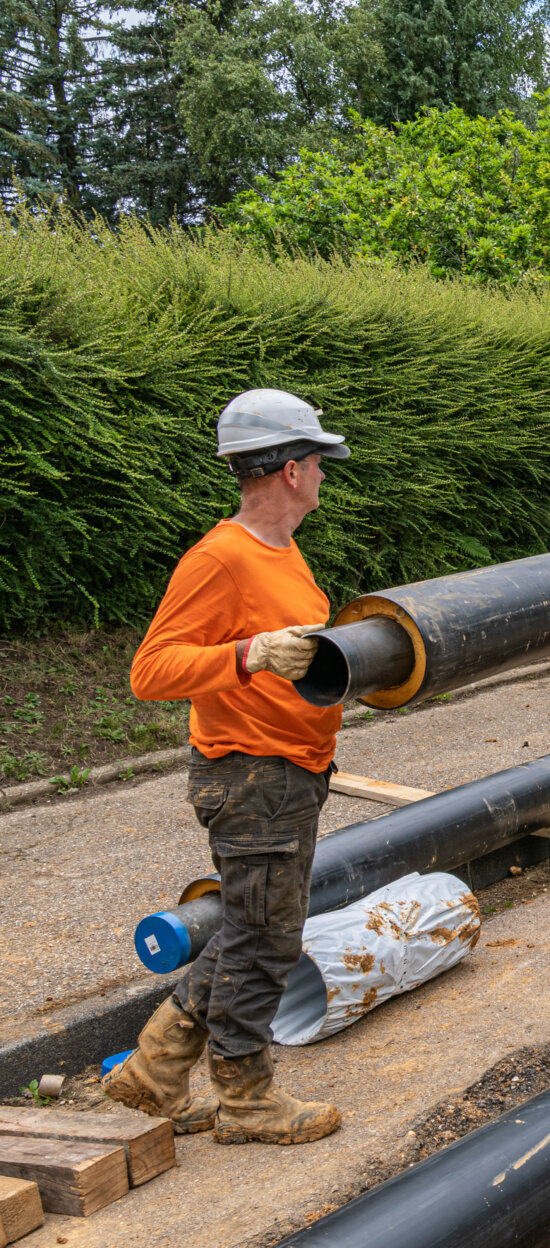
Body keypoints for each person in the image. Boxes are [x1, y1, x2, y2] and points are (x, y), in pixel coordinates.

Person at [107, 389, 349, 1146]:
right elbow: (152, 671)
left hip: (289, 773)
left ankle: (154, 1069)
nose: (322, 475)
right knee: (267, 939)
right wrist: (248, 655)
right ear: (288, 470)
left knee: (251, 929)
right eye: (316, 461)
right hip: (252, 777)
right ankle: (245, 1099)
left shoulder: (283, 553)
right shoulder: (221, 556)